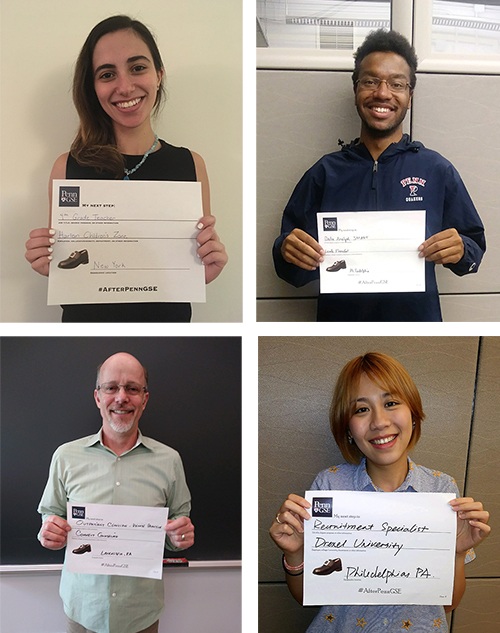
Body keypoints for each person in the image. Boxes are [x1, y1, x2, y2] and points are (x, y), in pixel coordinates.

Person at [25, 15, 228, 322]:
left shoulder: (192, 165)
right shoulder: (66, 168)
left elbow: (189, 270)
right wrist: (47, 263)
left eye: (137, 68)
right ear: (93, 87)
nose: (125, 86)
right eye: (107, 74)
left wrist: (204, 269)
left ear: (159, 74)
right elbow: (64, 265)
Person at [272, 30, 485, 321]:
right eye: (370, 81)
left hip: (417, 325)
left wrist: (462, 249)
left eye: (396, 84)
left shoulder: (437, 170)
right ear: (356, 90)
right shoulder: (325, 173)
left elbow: (473, 247)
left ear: (409, 96)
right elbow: (289, 266)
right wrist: (287, 251)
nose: (382, 93)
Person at [269, 352, 491, 632]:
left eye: (391, 403)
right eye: (361, 409)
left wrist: (457, 555)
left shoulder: (442, 490)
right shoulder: (329, 485)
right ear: (348, 428)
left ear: (413, 413)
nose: (379, 421)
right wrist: (295, 554)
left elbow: (447, 604)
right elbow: (309, 597)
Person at [38, 352, 194, 633]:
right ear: (98, 397)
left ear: (144, 399)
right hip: (83, 610)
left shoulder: (170, 460)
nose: (121, 397)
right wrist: (49, 532)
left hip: (141, 614)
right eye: (111, 387)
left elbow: (176, 531)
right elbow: (51, 515)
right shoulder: (66, 456)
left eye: (132, 389)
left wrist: (179, 537)